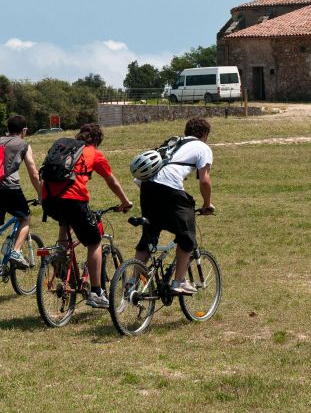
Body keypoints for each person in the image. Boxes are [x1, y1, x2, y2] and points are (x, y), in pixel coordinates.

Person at [42, 123, 132, 308]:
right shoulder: (94, 153)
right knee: (94, 241)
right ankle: (96, 292)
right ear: (97, 140)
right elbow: (111, 181)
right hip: (73, 198)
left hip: (49, 198)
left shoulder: (65, 149)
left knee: (65, 219)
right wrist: (125, 201)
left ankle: (61, 252)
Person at [133, 117, 214, 295]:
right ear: (205, 134)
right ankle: (179, 282)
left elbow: (140, 179)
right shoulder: (202, 147)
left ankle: (131, 282)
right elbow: (205, 180)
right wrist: (207, 204)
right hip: (169, 188)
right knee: (187, 235)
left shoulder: (170, 143)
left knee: (149, 234)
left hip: (147, 187)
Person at [0, 115, 41, 269]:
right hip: (9, 189)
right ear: (24, 130)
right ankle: (16, 251)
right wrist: (41, 194)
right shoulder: (23, 144)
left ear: (8, 128)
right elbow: (33, 172)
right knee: (25, 218)